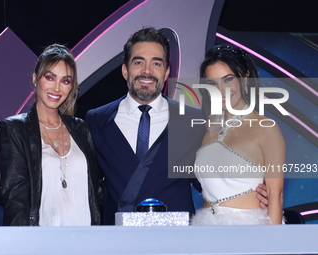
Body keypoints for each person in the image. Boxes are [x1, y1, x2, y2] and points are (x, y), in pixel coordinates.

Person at [86, 28, 268, 225]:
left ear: (166, 73)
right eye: (138, 62)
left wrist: (252, 193)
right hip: (118, 243)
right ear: (125, 70)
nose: (147, 71)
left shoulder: (194, 121)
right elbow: (86, 184)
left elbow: (211, 181)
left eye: (156, 63)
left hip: (178, 241)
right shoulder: (97, 120)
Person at [0, 44, 102, 226]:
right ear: (36, 78)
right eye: (50, 78)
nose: (57, 88)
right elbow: (16, 200)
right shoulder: (13, 129)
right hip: (42, 243)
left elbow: (97, 192)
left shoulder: (81, 129)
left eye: (65, 81)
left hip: (86, 240)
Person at [191, 45, 285, 225]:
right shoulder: (208, 127)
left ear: (244, 77)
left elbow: (276, 196)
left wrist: (272, 246)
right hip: (205, 230)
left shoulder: (266, 128)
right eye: (213, 83)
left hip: (248, 231)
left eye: (228, 80)